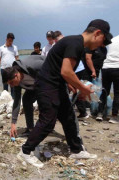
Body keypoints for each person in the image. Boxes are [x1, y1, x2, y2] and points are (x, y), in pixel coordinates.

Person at [17, 19, 112, 168]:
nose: (102, 45)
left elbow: (60, 67)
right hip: (47, 85)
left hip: (57, 84)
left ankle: (76, 149)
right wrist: (83, 88)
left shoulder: (76, 43)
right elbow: (66, 71)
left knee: (68, 116)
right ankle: (25, 151)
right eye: (103, 41)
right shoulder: (75, 43)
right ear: (97, 33)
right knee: (48, 121)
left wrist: (72, 84)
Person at [1, 55, 45, 138]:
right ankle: (30, 129)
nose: (12, 86)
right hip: (35, 86)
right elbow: (17, 101)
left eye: (11, 83)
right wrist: (13, 123)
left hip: (48, 80)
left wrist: (66, 81)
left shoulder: (31, 66)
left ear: (16, 75)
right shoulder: (16, 82)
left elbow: (51, 65)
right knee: (26, 99)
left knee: (49, 104)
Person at [95, 35, 119, 122]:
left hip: (106, 67)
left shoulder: (113, 39)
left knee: (105, 91)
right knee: (117, 93)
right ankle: (114, 116)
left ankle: (99, 113)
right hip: (117, 67)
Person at [0, 33, 19, 98]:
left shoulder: (15, 47)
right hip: (3, 69)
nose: (10, 42)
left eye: (12, 41)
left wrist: (18, 69)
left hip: (13, 69)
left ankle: (13, 100)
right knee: (5, 86)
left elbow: (17, 58)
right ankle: (5, 100)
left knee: (13, 85)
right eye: (9, 40)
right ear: (6, 39)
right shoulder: (1, 48)